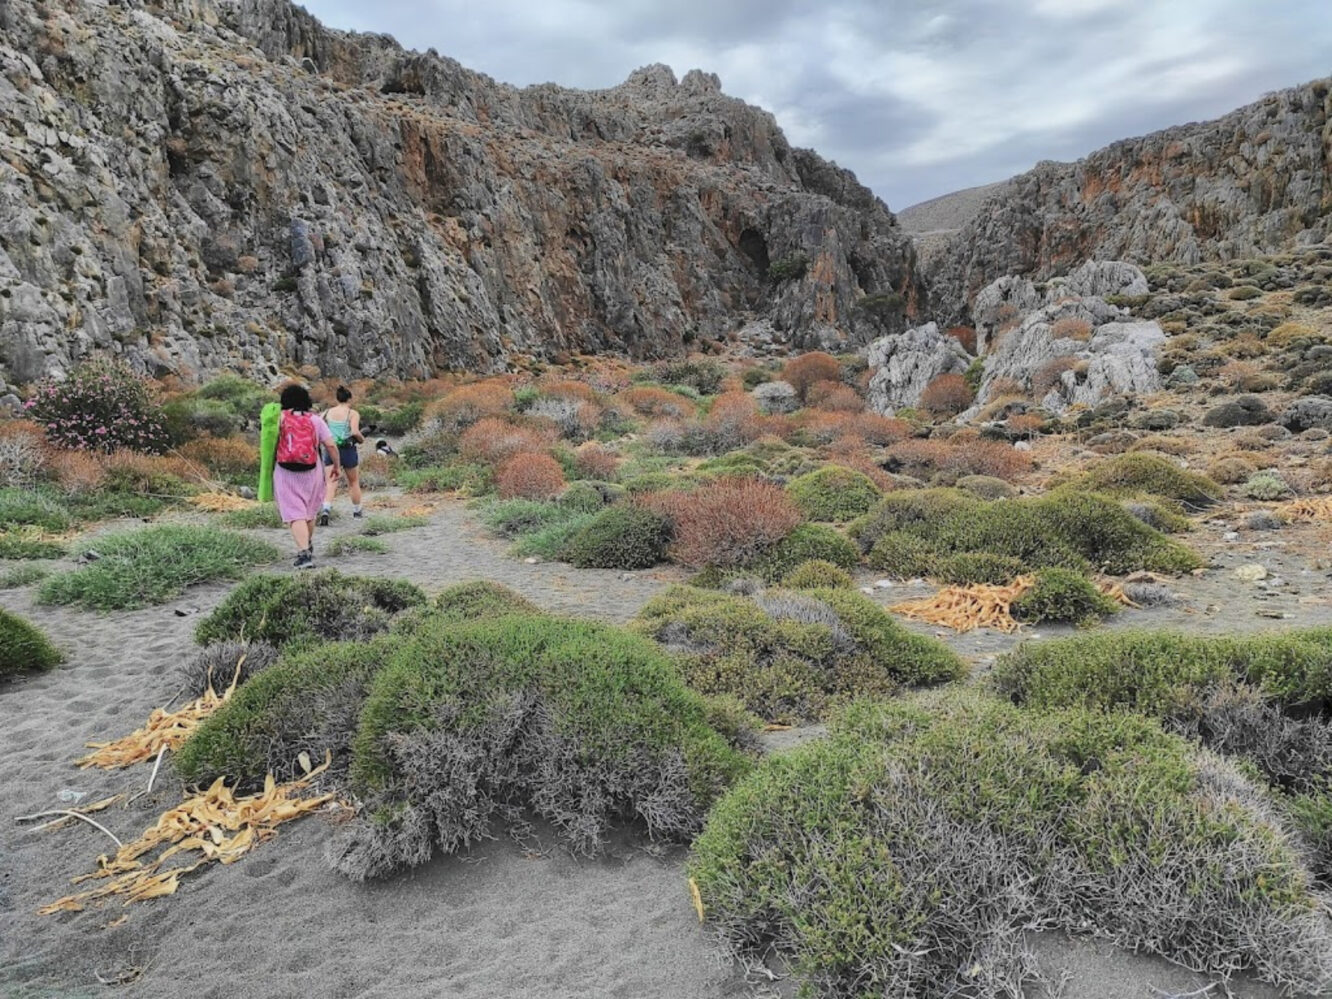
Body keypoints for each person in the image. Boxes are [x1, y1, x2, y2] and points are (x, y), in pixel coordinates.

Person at [273, 383, 339, 570]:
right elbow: (331, 445)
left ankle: (304, 554)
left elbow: (269, 443)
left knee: (295, 514)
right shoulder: (315, 420)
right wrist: (336, 466)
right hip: (312, 471)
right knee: (308, 513)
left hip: (285, 472)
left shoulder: (280, 419)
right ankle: (307, 545)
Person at [319, 385, 364, 525]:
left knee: (330, 483)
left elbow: (320, 428)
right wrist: (362, 439)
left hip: (331, 450)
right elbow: (355, 432)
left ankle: (326, 509)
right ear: (350, 398)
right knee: (353, 482)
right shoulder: (352, 413)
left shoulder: (326, 413)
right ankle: (357, 511)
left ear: (337, 399)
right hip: (347, 450)